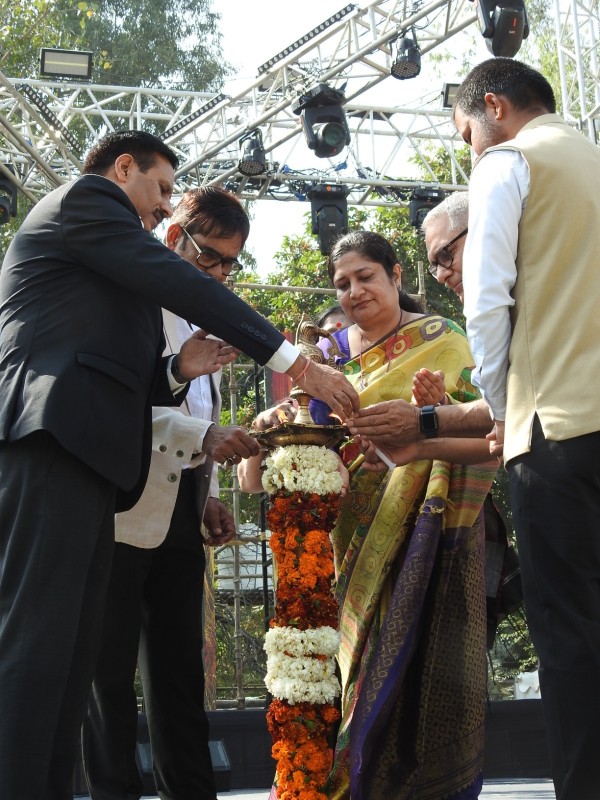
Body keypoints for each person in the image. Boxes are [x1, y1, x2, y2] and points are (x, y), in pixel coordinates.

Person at [0, 129, 358, 800]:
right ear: (122, 167)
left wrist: (174, 375)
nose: (165, 204)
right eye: (162, 188)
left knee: (70, 661)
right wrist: (297, 364)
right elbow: (180, 286)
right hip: (52, 440)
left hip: (96, 462)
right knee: (41, 645)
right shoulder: (87, 201)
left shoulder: (113, 276)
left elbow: (136, 378)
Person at [283, 230, 495, 799]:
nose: (354, 292)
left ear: (396, 275)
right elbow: (304, 434)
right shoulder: (323, 358)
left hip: (428, 528)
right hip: (344, 532)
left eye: (365, 277)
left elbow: (491, 437)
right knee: (349, 662)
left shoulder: (443, 340)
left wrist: (433, 415)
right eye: (342, 283)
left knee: (420, 660)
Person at [450, 58, 600, 800]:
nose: (470, 148)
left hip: (556, 431)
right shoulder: (592, 160)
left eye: (466, 133)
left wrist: (501, 407)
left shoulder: (508, 163)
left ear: (496, 107)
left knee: (571, 635)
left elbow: (486, 301)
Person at [82, 187, 255, 800]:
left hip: (182, 510)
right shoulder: (127, 301)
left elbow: (197, 416)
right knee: (107, 676)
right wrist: (200, 429)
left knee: (181, 673)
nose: (219, 273)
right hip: (121, 509)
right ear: (173, 235)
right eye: (210, 256)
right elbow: (117, 407)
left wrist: (207, 495)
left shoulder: (206, 317)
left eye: (230, 262)